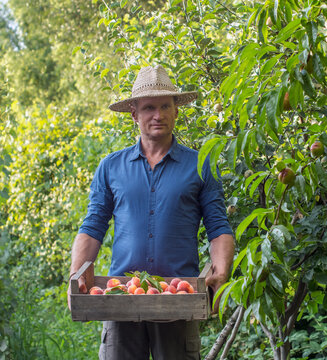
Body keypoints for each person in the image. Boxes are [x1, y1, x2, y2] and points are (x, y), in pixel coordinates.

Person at [67, 65, 235, 360]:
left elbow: (218, 226)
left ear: (176, 111)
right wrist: (76, 274)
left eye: (165, 106)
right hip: (121, 297)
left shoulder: (200, 165)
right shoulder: (111, 167)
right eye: (148, 108)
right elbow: (93, 225)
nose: (158, 115)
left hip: (178, 297)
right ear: (134, 113)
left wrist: (221, 272)